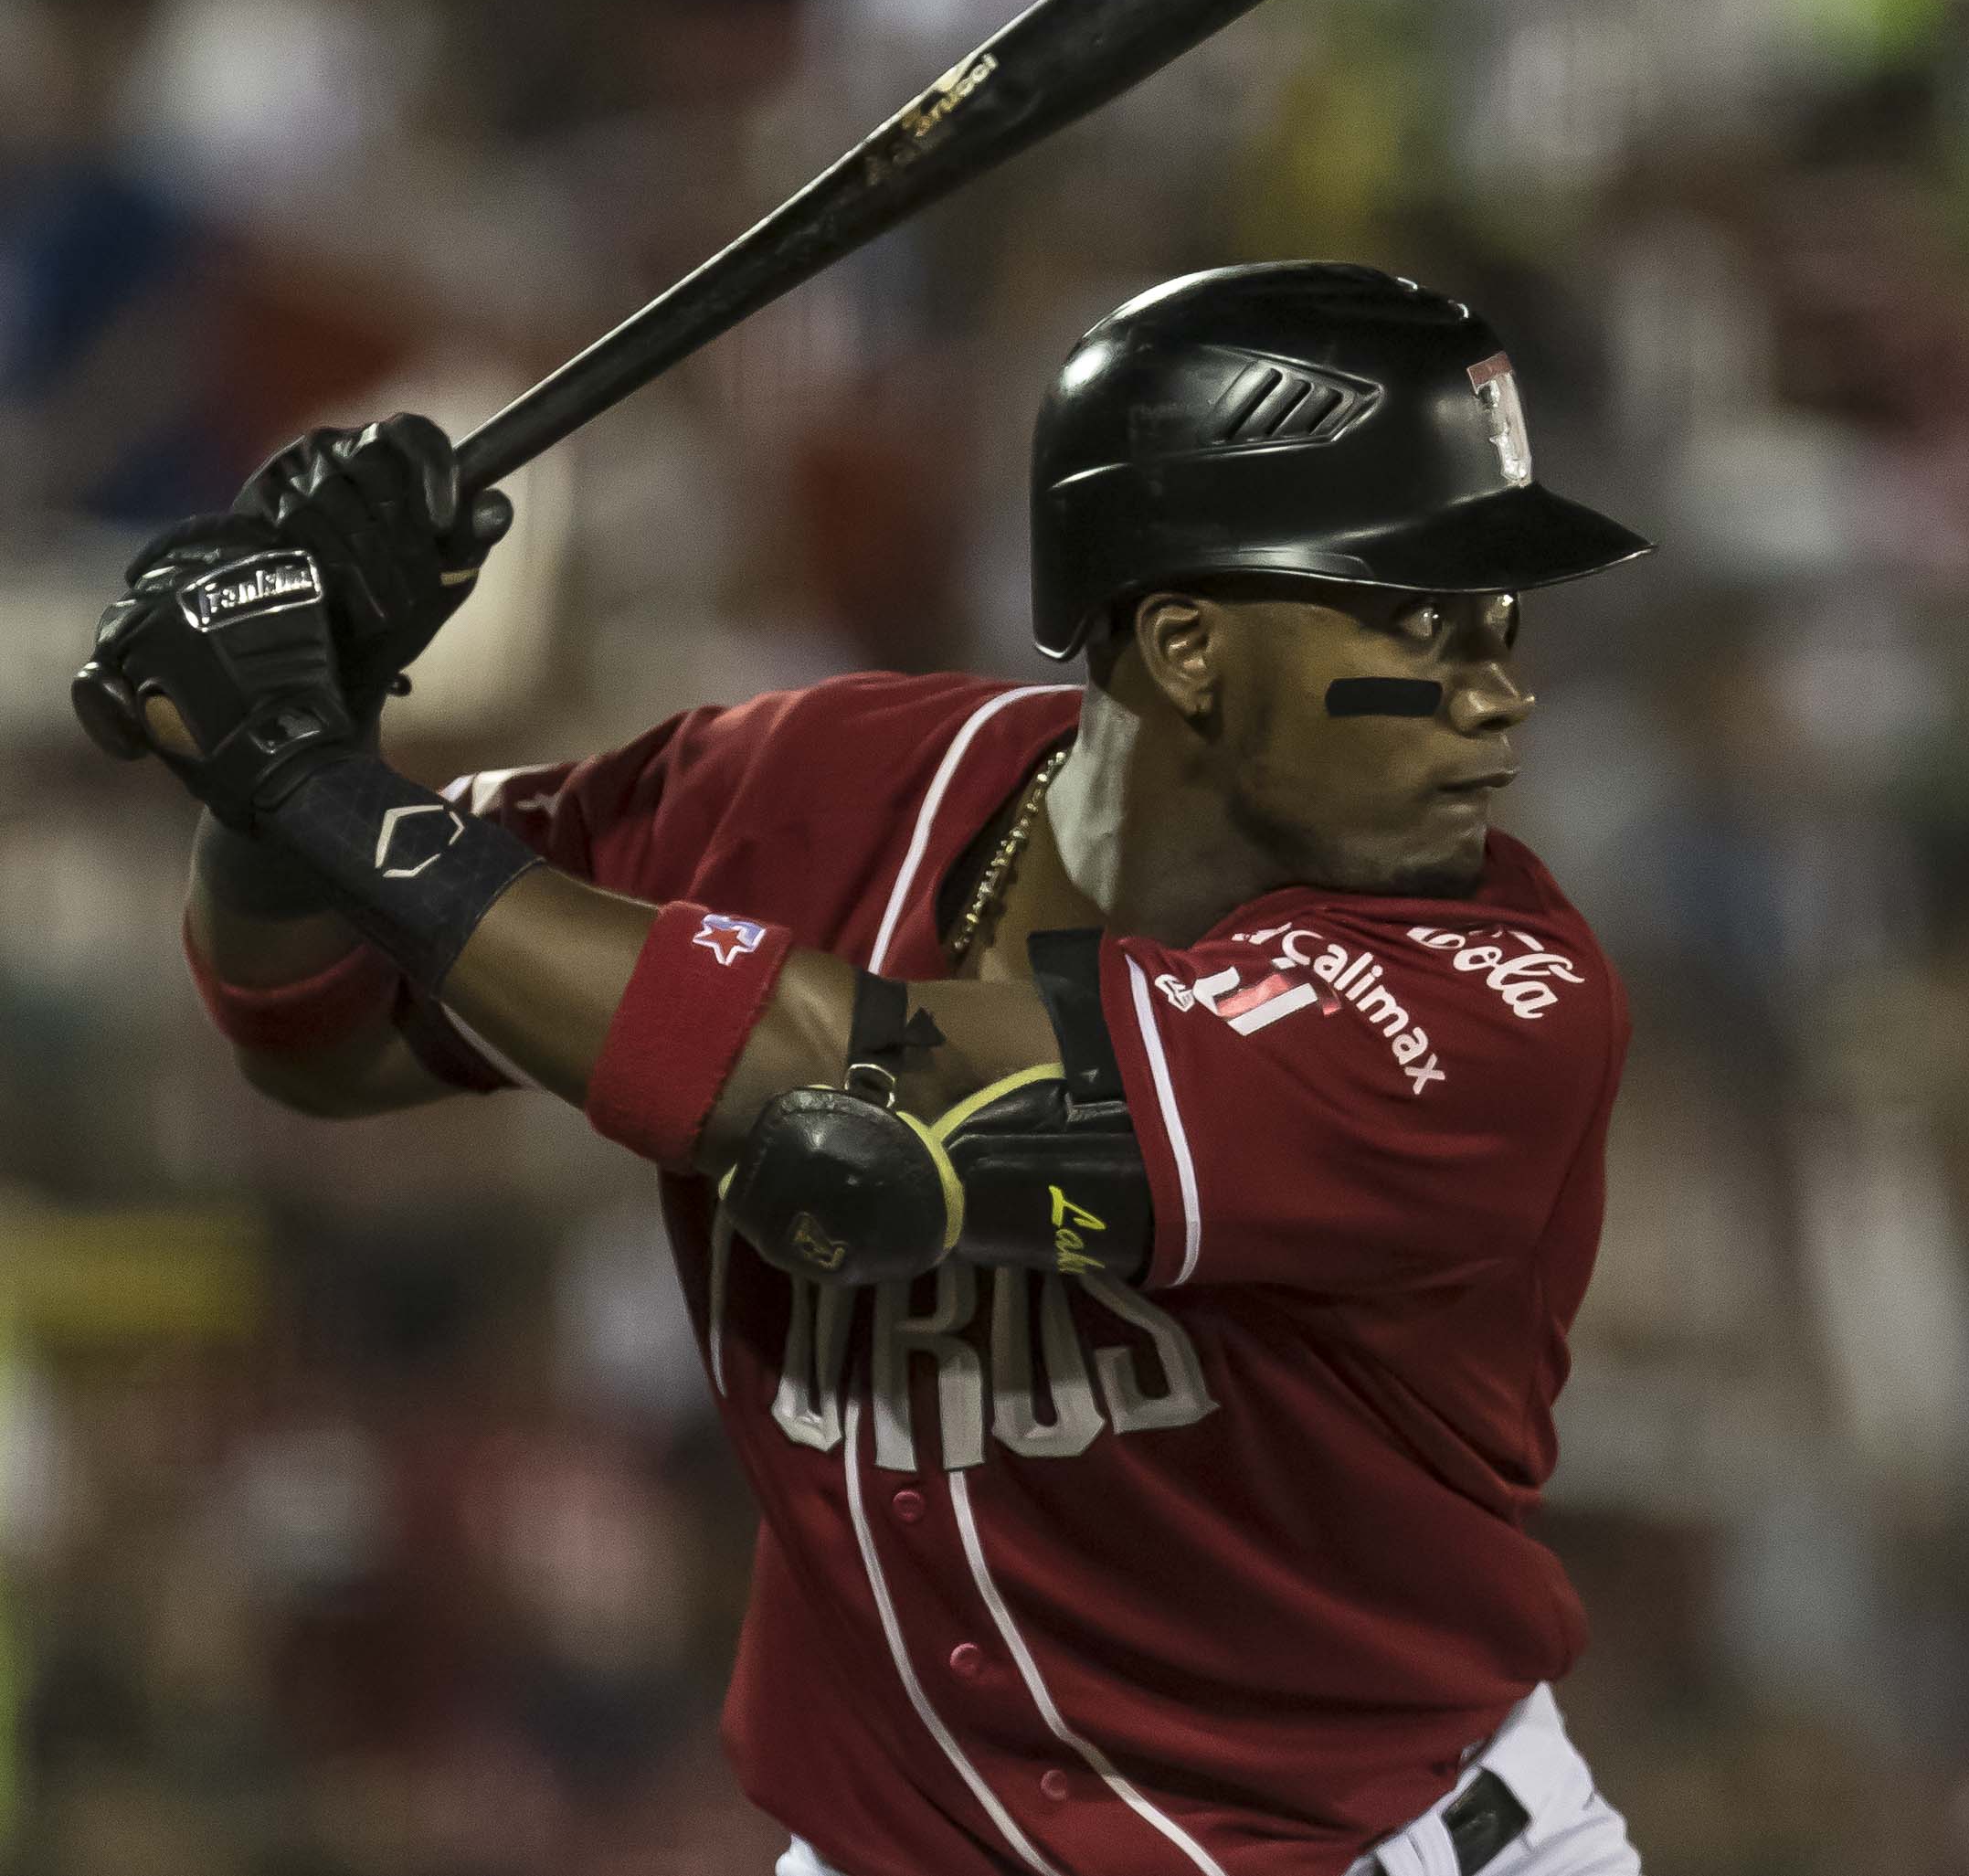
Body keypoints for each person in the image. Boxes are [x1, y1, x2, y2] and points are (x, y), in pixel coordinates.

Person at [86, 262, 1656, 1876]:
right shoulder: (808, 796)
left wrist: (306, 770)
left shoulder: (1498, 997)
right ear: (1187, 642)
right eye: (1418, 615)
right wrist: (292, 749)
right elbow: (318, 1020)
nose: (1498, 687)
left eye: (1500, 617)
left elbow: (872, 1116)